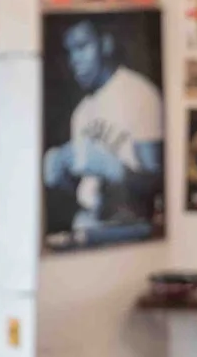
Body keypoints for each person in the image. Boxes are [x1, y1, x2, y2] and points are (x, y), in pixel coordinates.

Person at [43, 17, 164, 240]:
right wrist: (62, 178)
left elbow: (157, 185)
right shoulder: (81, 112)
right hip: (87, 225)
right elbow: (86, 189)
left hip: (129, 228)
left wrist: (115, 171)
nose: (75, 60)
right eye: (69, 51)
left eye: (82, 47)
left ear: (105, 44)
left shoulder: (140, 94)